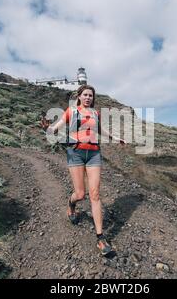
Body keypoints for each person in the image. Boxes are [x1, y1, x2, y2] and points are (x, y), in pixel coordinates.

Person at [40, 84, 126, 255]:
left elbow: (100, 130)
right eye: (85, 95)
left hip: (94, 154)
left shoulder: (95, 113)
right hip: (76, 153)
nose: (88, 98)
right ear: (79, 96)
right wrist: (46, 128)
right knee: (81, 194)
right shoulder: (71, 111)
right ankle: (71, 204)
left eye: (91, 95)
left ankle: (100, 238)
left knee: (95, 194)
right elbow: (54, 128)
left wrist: (116, 138)